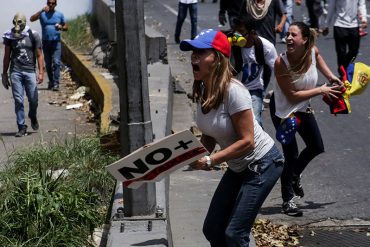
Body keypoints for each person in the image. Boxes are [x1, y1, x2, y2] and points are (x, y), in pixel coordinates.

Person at [180, 29, 284, 246]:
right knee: (212, 229)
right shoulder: (202, 89)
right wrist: (185, 155)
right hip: (239, 167)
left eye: (200, 52)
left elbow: (248, 141)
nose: (194, 57)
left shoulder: (234, 91)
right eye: (193, 53)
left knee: (235, 234)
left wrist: (210, 161)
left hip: (263, 163)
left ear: (217, 59)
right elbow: (210, 135)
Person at [269, 21, 342, 216]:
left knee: (316, 146)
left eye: (293, 35)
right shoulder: (280, 62)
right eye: (287, 35)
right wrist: (321, 89)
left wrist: (333, 78)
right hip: (284, 111)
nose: (288, 38)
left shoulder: (312, 51)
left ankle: (294, 176)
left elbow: (319, 60)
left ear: (305, 40)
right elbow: (292, 95)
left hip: (302, 107)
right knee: (291, 154)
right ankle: (287, 200)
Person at [2, 12, 44, 137]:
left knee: (33, 99)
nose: (17, 25)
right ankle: (21, 126)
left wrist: (41, 72)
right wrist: (4, 74)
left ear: (24, 22)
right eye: (15, 22)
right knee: (18, 100)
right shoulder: (9, 36)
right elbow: (6, 56)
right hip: (16, 71)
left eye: (19, 22)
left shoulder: (33, 34)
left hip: (30, 71)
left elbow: (39, 54)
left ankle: (32, 115)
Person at [232, 16, 278, 127]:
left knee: (255, 121)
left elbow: (278, 71)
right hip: (233, 89)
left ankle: (261, 143)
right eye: (235, 31)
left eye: (241, 32)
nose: (237, 35)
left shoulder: (265, 46)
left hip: (254, 89)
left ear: (252, 32)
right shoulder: (231, 45)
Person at [30, 0, 68, 91]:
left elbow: (66, 27)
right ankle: (51, 81)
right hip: (46, 42)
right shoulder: (43, 14)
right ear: (47, 4)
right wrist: (41, 11)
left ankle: (56, 83)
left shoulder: (60, 14)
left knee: (56, 62)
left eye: (52, 3)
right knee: (48, 64)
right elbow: (31, 19)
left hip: (56, 42)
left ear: (55, 4)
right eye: (49, 3)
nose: (50, 5)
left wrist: (61, 27)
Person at [323, 0, 368, 76]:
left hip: (354, 25)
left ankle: (343, 68)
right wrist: (326, 25)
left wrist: (364, 18)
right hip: (339, 24)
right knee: (341, 53)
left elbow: (361, 4)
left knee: (354, 51)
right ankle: (343, 75)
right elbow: (331, 7)